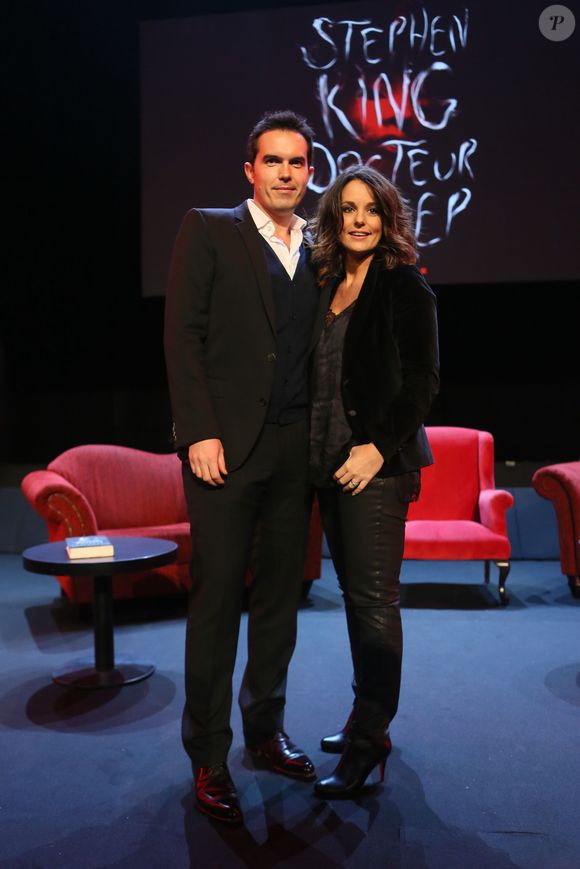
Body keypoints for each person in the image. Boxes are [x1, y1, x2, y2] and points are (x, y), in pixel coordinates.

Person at [164, 110, 328, 825]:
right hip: (224, 452)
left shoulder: (320, 245)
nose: (285, 173)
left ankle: (264, 729)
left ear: (309, 173)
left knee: (279, 603)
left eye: (297, 162)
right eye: (273, 161)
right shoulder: (208, 229)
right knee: (217, 602)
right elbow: (183, 336)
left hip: (296, 451)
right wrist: (197, 431)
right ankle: (208, 754)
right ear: (250, 169)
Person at [309, 165, 439, 798]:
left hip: (376, 469)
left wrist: (376, 448)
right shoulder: (326, 284)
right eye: (348, 209)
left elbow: (422, 382)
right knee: (356, 599)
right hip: (327, 463)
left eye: (371, 210)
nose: (359, 220)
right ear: (334, 218)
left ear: (388, 220)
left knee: (374, 602)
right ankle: (363, 717)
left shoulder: (403, 284)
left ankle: (370, 740)